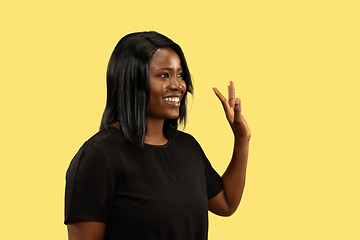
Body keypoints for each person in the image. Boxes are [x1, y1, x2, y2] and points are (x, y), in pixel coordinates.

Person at [64, 31, 251, 240]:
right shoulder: (99, 157)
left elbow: (226, 203)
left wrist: (241, 140)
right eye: (164, 75)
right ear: (133, 81)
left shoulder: (188, 147)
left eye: (180, 74)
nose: (178, 85)